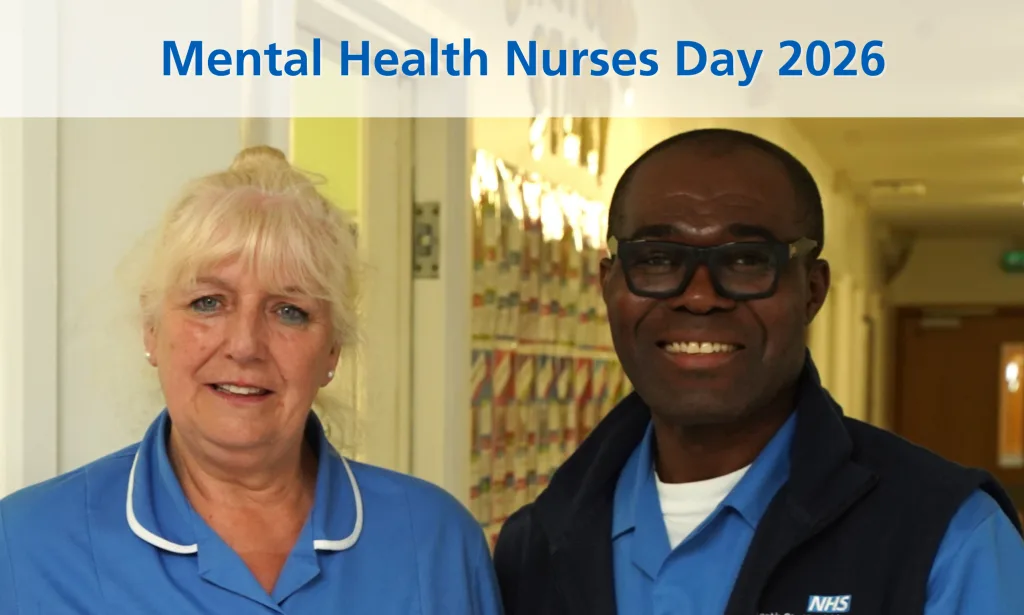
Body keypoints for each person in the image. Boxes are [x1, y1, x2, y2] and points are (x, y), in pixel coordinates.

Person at [493, 128, 1024, 614]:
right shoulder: (534, 548)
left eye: (747, 260)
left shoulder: (948, 536)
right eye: (657, 257)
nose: (699, 296)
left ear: (811, 291)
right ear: (610, 286)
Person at [0, 146, 502, 614]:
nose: (244, 344)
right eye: (208, 303)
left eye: (289, 311)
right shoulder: (26, 548)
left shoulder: (434, 543)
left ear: (332, 351)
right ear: (151, 329)